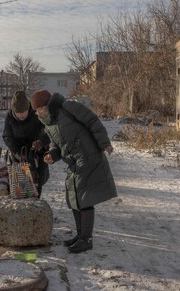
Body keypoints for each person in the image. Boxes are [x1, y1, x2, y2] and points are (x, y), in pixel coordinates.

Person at [30, 89, 117, 254]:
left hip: (89, 156)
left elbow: (92, 121)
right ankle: (81, 236)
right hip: (74, 162)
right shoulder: (49, 123)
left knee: (84, 197)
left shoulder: (68, 107)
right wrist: (51, 155)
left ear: (47, 104)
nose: (38, 112)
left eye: (39, 108)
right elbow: (57, 145)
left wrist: (104, 142)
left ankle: (86, 239)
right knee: (74, 195)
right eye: (36, 110)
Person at [2, 90, 50, 198]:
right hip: (18, 153)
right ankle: (21, 204)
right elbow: (7, 136)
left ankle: (35, 201)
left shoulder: (36, 113)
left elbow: (47, 131)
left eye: (23, 112)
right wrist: (17, 152)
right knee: (19, 182)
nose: (20, 115)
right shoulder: (9, 116)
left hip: (37, 151)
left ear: (28, 108)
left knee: (37, 180)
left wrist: (40, 144)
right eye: (17, 113)